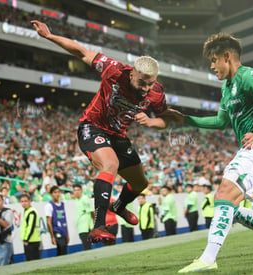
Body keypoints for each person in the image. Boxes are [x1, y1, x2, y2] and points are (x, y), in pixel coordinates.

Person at [169, 32, 253, 273]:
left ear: (227, 57)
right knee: (231, 208)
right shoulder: (227, 89)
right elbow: (220, 122)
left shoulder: (249, 75)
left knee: (224, 194)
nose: (211, 66)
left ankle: (208, 258)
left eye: (214, 60)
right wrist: (186, 119)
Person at [31, 20, 171, 244]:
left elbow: (165, 119)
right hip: (92, 126)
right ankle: (98, 226)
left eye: (150, 84)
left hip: (118, 135)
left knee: (140, 183)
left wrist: (153, 122)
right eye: (142, 83)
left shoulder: (156, 92)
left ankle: (119, 206)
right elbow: (81, 51)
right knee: (110, 165)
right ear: (132, 73)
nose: (146, 89)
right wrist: (49, 36)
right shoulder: (114, 70)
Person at [45, 186, 69, 256]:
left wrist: (67, 234)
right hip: (57, 230)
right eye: (55, 192)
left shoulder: (62, 204)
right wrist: (52, 236)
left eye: (58, 192)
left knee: (63, 250)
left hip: (63, 230)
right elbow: (49, 222)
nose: (57, 194)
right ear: (51, 194)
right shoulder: (49, 205)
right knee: (62, 248)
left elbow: (64, 219)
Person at [73, 184, 96, 250]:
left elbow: (92, 212)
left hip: (86, 227)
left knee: (87, 246)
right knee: (86, 246)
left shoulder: (85, 199)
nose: (76, 192)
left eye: (78, 190)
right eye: (75, 190)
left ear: (81, 190)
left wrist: (92, 223)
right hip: (81, 227)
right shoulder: (77, 200)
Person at [19, 193, 41, 261]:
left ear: (29, 201)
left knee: (32, 261)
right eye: (22, 201)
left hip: (32, 241)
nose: (24, 203)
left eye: (25, 201)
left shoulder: (31, 212)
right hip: (31, 240)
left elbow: (31, 226)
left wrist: (26, 239)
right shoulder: (27, 211)